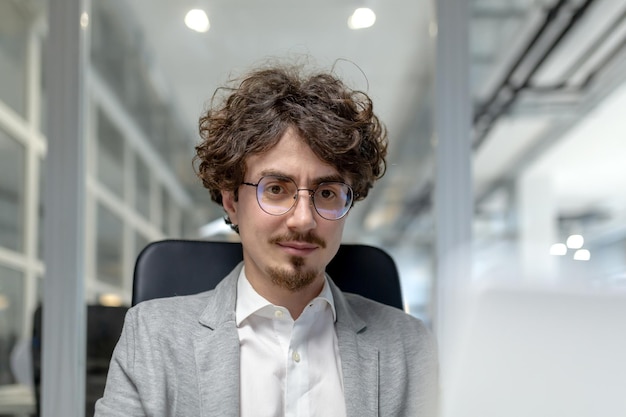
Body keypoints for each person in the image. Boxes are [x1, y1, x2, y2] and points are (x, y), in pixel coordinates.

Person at [95, 62, 438, 416]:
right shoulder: (153, 338)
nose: (303, 219)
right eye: (275, 189)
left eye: (327, 192)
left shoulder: (410, 347)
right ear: (232, 201)